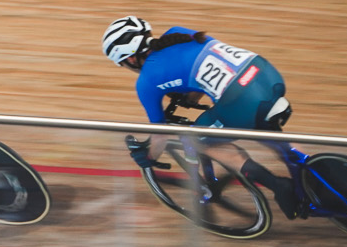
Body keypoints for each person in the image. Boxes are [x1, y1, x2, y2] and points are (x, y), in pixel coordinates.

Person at [100, 17, 302, 216]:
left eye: (122, 64)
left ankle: (278, 185)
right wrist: (190, 98)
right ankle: (308, 170)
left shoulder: (146, 81)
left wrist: (148, 158)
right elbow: (201, 68)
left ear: (131, 58)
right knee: (263, 127)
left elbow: (160, 135)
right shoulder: (177, 33)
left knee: (198, 139)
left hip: (244, 99)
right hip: (265, 73)